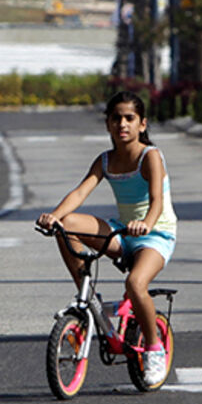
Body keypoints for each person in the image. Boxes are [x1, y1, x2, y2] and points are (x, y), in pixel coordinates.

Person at [35, 90, 177, 385]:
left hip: (155, 235)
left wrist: (147, 225)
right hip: (122, 233)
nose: (122, 124)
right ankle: (87, 296)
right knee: (67, 225)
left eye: (129, 118)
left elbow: (156, 202)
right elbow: (80, 192)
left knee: (135, 283)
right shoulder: (105, 160)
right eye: (116, 118)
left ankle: (153, 349)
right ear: (108, 124)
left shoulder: (150, 156)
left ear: (142, 124)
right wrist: (54, 216)